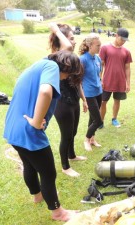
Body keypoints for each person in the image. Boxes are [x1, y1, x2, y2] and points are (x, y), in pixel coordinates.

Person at [3, 50, 84, 221]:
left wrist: (38, 117)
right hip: (29, 131)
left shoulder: (38, 64)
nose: (66, 79)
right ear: (68, 68)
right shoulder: (52, 67)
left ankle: (37, 195)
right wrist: (36, 120)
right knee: (48, 174)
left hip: (13, 128)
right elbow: (46, 92)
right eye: (69, 75)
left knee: (29, 165)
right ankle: (58, 213)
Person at [49, 23, 88, 177]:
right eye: (71, 38)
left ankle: (72, 155)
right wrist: (57, 31)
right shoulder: (56, 59)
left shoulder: (71, 58)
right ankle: (65, 166)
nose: (74, 41)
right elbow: (67, 47)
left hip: (75, 100)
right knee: (66, 135)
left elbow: (77, 81)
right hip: (62, 103)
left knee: (74, 131)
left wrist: (84, 100)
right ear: (62, 40)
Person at [99, 28, 132, 128]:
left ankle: (114, 118)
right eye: (122, 39)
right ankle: (100, 121)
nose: (123, 42)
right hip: (107, 81)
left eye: (125, 40)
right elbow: (100, 65)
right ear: (116, 36)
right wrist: (100, 79)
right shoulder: (105, 48)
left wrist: (128, 83)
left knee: (117, 100)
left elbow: (127, 68)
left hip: (120, 81)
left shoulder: (126, 51)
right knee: (103, 101)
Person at [78, 33, 103, 151]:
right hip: (89, 93)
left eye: (100, 45)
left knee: (92, 118)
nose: (100, 47)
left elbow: (99, 74)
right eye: (98, 45)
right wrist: (83, 98)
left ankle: (92, 139)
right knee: (98, 120)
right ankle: (86, 139)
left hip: (98, 91)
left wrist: (100, 83)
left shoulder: (97, 58)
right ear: (89, 45)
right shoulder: (82, 60)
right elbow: (78, 80)